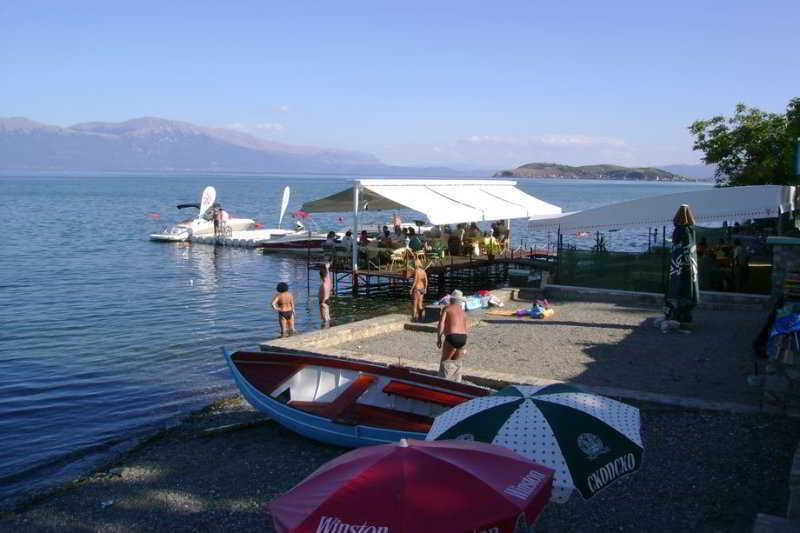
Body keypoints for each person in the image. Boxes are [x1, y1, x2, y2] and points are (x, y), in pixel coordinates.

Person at [437, 290, 468, 382]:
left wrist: (439, 338)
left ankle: (443, 383)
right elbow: (466, 328)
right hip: (463, 338)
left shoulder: (447, 308)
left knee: (445, 362)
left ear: (451, 299)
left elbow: (441, 324)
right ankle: (457, 382)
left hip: (452, 336)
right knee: (456, 363)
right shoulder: (463, 312)